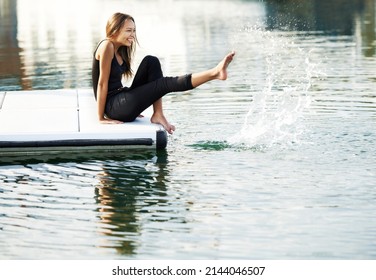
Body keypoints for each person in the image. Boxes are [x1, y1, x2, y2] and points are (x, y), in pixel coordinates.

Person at [92, 12, 235, 134]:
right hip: (113, 107)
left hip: (122, 100)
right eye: (129, 31)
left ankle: (158, 113)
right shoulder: (107, 46)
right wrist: (100, 118)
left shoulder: (119, 49)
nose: (133, 35)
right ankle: (214, 73)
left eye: (134, 31)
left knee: (151, 61)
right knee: (164, 84)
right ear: (115, 30)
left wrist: (132, 103)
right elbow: (102, 83)